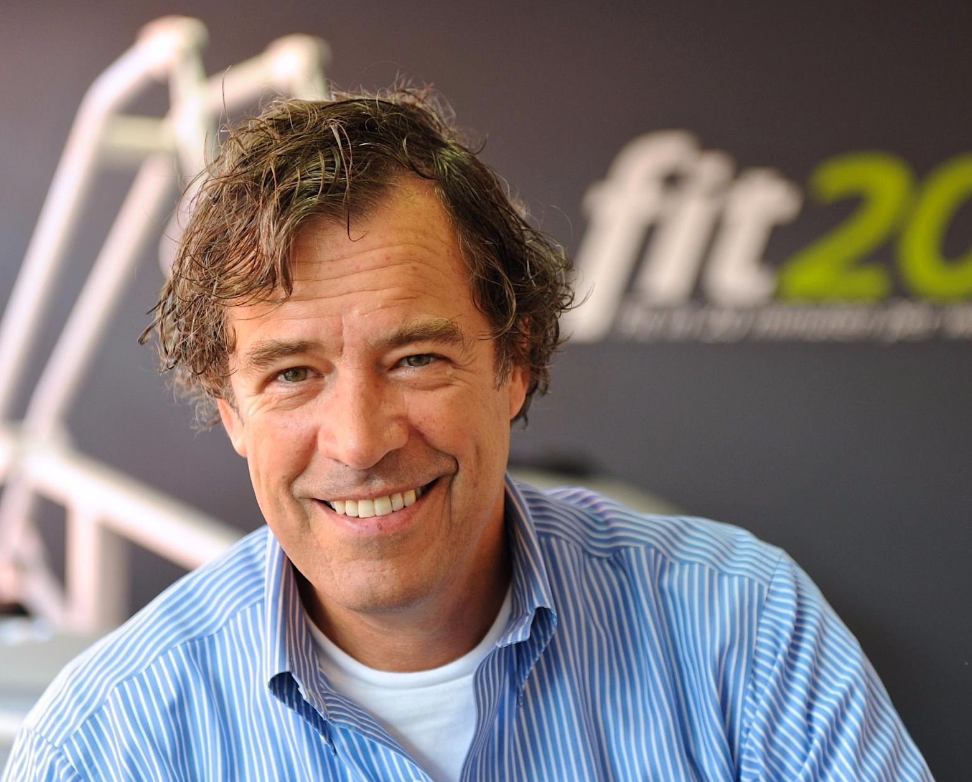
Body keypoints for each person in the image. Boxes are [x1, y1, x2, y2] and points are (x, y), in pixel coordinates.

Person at [4, 91, 932, 781]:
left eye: (416, 358)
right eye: (292, 374)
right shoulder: (108, 744)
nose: (359, 441)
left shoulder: (745, 632)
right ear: (232, 409)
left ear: (515, 361)